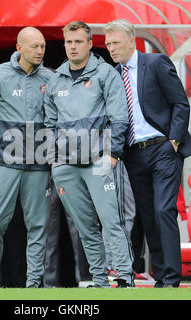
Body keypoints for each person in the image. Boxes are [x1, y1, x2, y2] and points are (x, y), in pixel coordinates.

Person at [104, 19, 191, 288]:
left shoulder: (156, 63)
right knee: (146, 214)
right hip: (134, 154)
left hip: (163, 148)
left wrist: (174, 142)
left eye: (116, 43)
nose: (112, 48)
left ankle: (171, 278)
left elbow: (180, 103)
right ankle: (160, 276)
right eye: (108, 44)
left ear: (131, 41)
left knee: (163, 209)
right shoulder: (113, 74)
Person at [43, 21, 134, 288]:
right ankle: (98, 280)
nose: (72, 47)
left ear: (89, 43)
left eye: (78, 41)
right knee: (85, 228)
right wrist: (53, 160)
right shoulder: (56, 79)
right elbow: (49, 123)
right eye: (68, 42)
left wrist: (113, 154)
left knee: (111, 222)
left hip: (100, 162)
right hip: (65, 166)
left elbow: (120, 118)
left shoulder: (106, 74)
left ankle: (124, 278)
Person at [0, 27, 53, 288]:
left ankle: (33, 284)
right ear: (19, 48)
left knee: (38, 226)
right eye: (34, 46)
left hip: (39, 163)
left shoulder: (51, 78)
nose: (40, 51)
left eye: (42, 46)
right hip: (5, 160)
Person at [43, 182, 91, 288]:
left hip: (68, 172)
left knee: (79, 231)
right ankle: (49, 283)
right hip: (47, 174)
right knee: (48, 233)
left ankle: (84, 280)